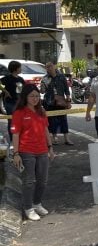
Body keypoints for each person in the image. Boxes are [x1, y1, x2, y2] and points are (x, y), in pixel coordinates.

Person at [10, 83, 55, 221]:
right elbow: (16, 134)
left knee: (42, 181)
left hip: (42, 151)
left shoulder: (41, 111)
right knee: (28, 182)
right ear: (25, 97)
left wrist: (50, 147)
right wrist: (16, 154)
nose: (35, 98)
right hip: (26, 151)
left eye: (37, 96)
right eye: (32, 96)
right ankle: (28, 208)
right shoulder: (19, 113)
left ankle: (37, 204)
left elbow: (46, 130)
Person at [41, 62, 74, 145]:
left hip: (61, 101)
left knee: (63, 120)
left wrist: (68, 100)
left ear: (54, 66)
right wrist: (43, 86)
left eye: (50, 66)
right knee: (52, 121)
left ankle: (66, 138)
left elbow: (66, 89)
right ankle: (55, 138)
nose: (49, 68)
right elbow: (42, 91)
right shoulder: (45, 78)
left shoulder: (61, 76)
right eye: (47, 67)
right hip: (49, 102)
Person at [1, 60, 25, 143]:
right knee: (11, 121)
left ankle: (19, 137)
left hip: (19, 103)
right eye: (20, 67)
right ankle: (12, 139)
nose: (21, 69)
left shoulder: (21, 79)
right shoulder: (7, 78)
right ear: (15, 69)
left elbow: (24, 90)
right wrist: (5, 91)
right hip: (9, 103)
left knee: (20, 121)